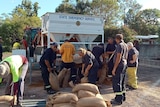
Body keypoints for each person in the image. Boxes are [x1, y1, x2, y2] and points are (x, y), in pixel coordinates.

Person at [111, 34, 128, 105]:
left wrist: (114, 69)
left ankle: (118, 99)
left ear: (117, 39)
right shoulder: (125, 45)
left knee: (117, 82)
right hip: (124, 64)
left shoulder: (119, 45)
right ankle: (123, 96)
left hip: (119, 65)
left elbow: (118, 57)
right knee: (122, 81)